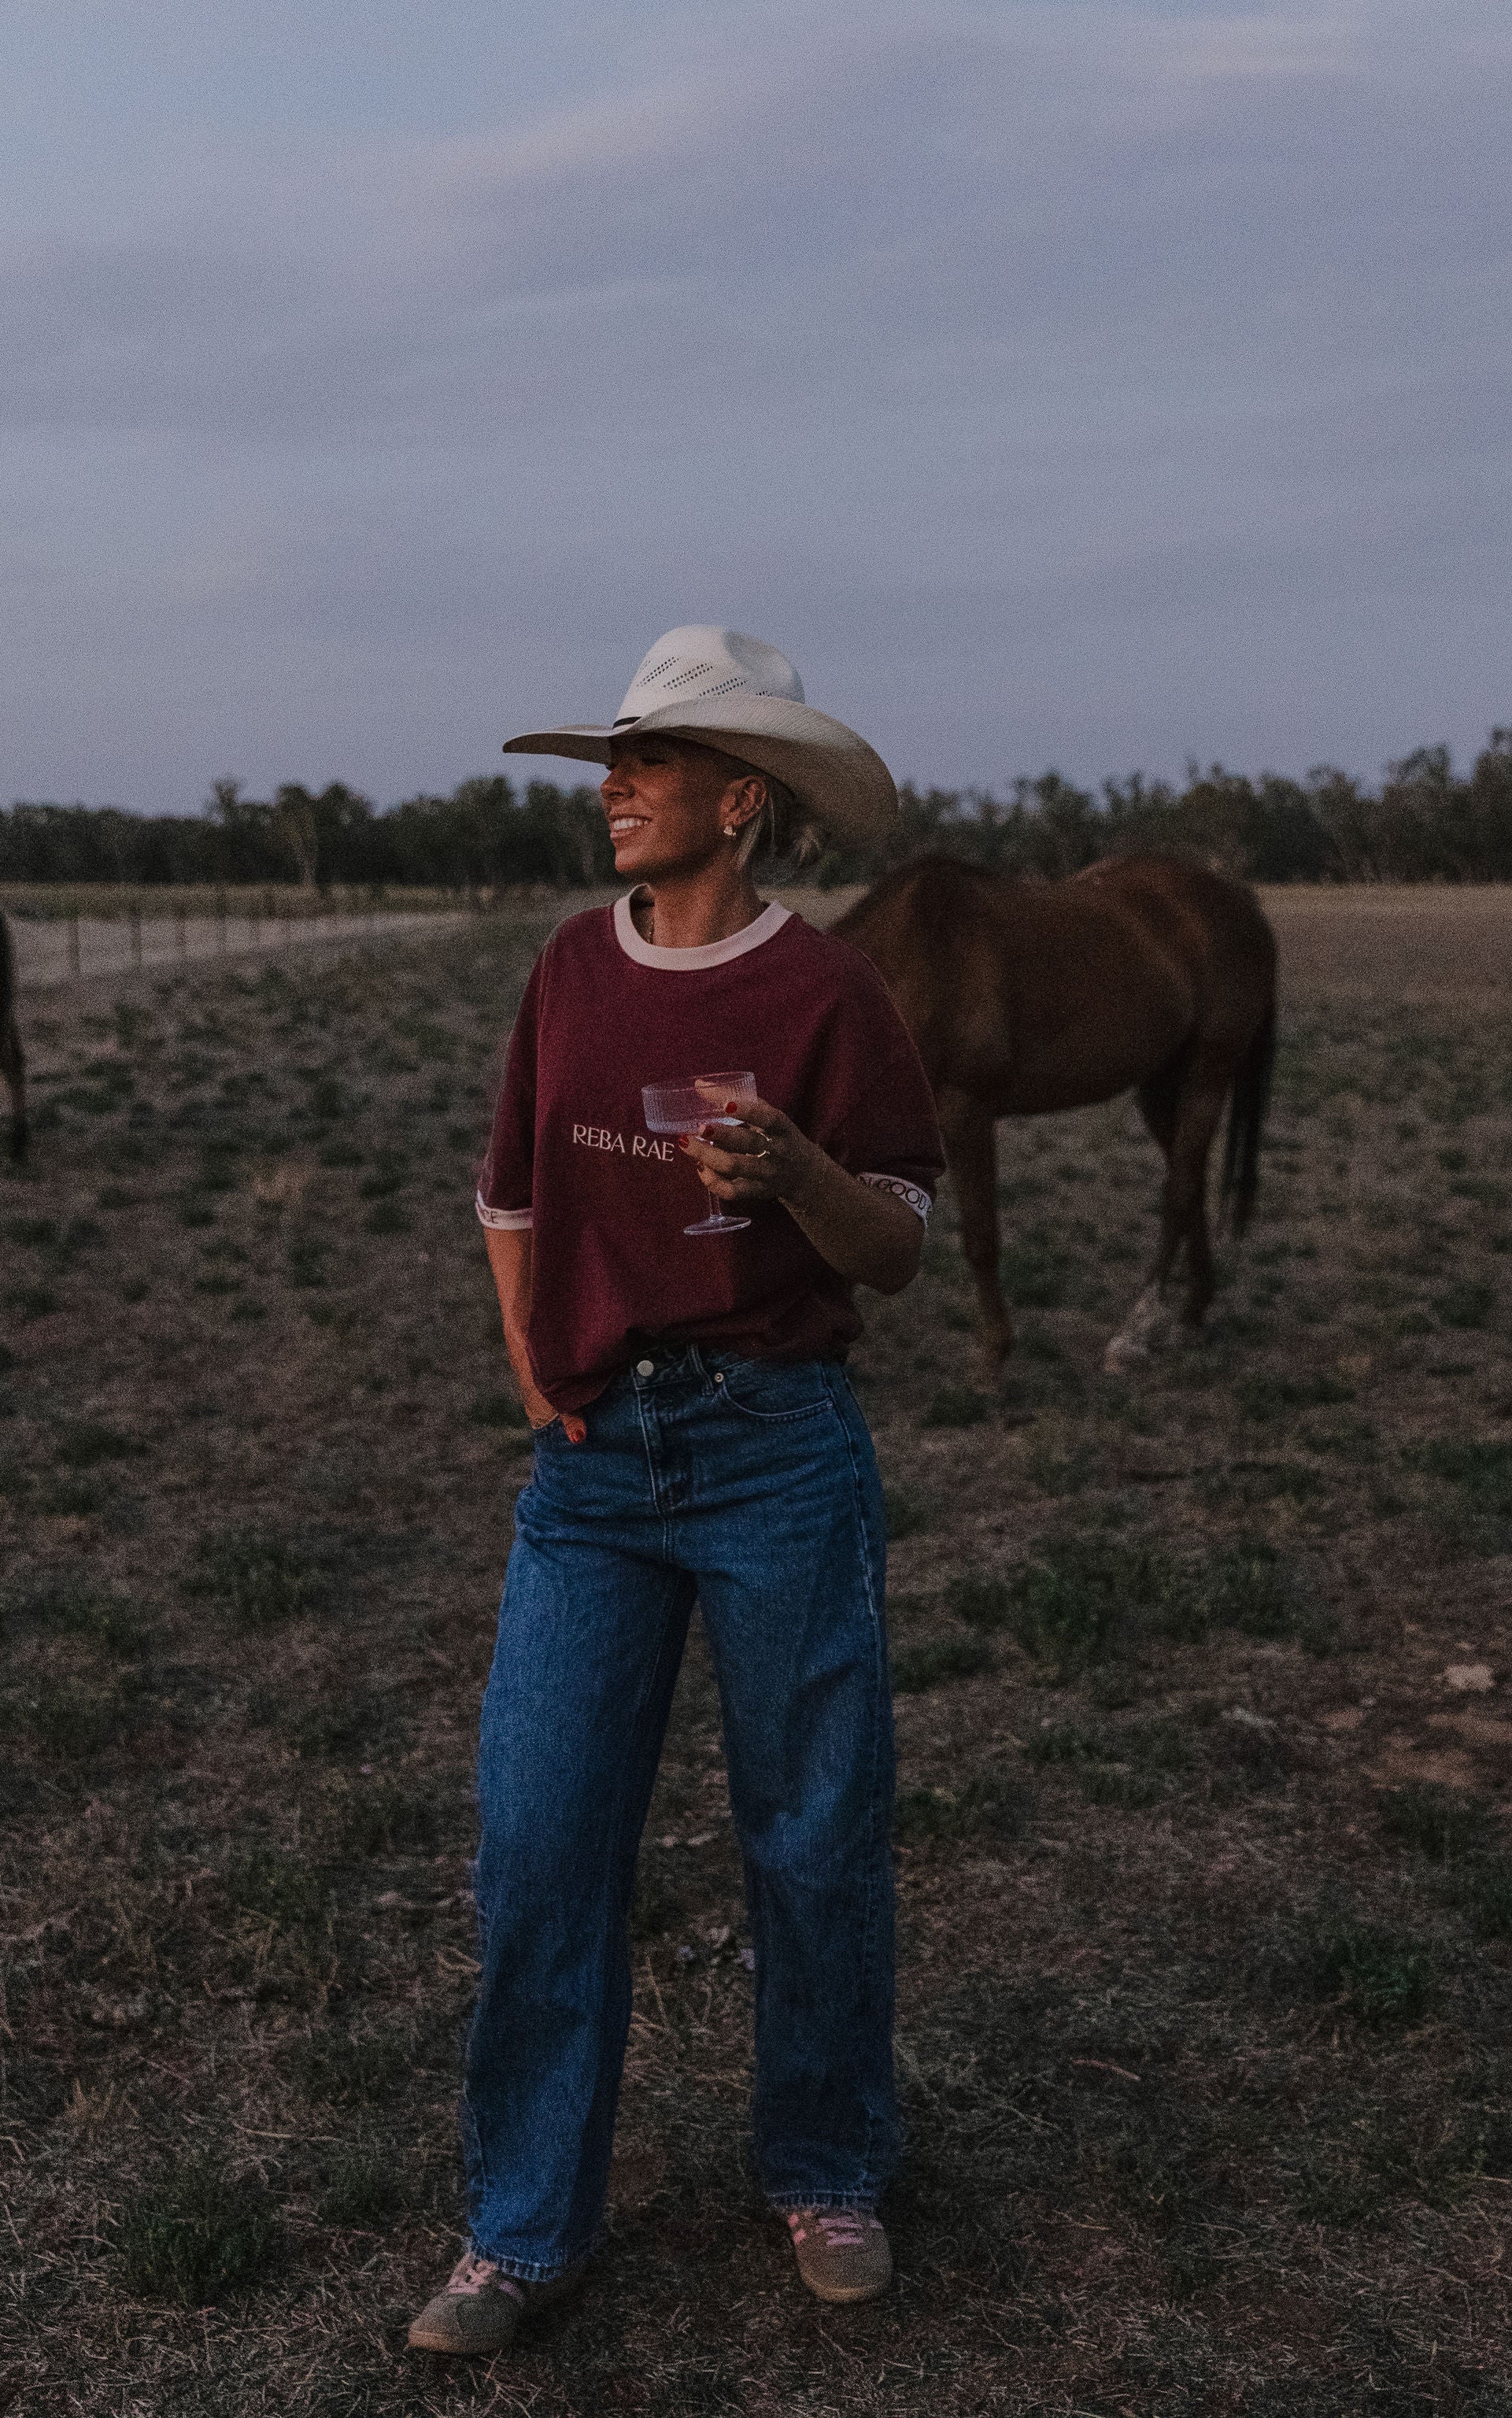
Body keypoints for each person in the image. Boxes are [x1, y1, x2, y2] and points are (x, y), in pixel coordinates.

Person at [408, 628, 944, 2357]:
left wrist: (795, 1172)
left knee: (814, 1829)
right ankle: (520, 2229)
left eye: (648, 763)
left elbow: (898, 1247)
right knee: (541, 1841)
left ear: (742, 800)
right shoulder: (572, 968)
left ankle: (828, 2169)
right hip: (593, 1469)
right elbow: (508, 1196)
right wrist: (534, 1373)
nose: (615, 788)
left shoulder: (829, 995)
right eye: (611, 762)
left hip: (775, 1446)